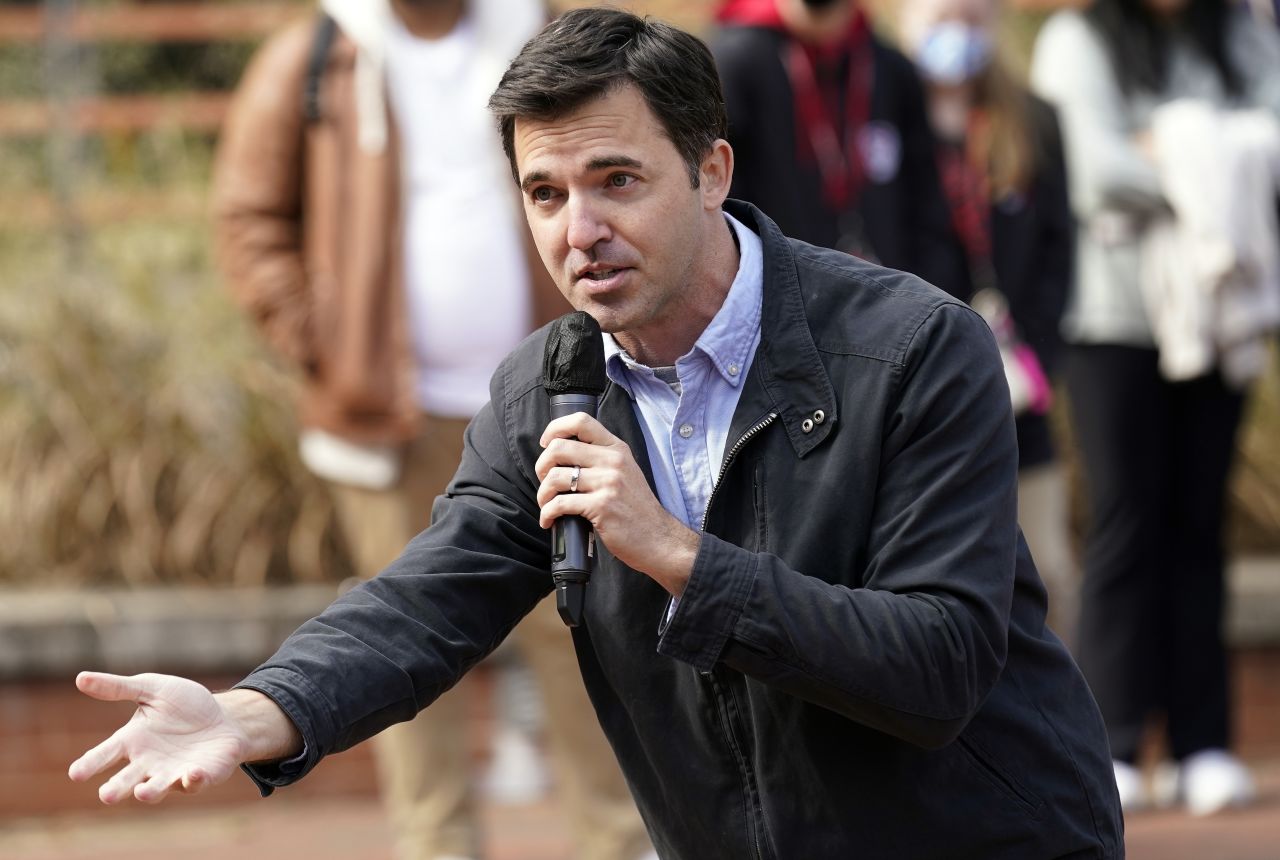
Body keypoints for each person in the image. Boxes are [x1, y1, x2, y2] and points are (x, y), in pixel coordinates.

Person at [70, 8, 1123, 858]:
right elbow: (428, 596)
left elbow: (935, 664)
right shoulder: (547, 386)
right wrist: (258, 710)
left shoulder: (910, 349)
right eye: (543, 191)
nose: (578, 231)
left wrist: (673, 553)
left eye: (616, 180)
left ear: (711, 171)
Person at [208, 1, 651, 858]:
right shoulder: (317, 55)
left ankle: (623, 843)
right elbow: (247, 216)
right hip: (387, 425)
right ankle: (436, 848)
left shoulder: (539, 35)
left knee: (587, 637)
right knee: (399, 648)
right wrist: (327, 343)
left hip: (555, 405)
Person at [1031, 0, 1280, 816]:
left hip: (1220, 319)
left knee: (1197, 525)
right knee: (1125, 523)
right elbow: (1093, 173)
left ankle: (1204, 744)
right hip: (1113, 326)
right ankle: (1114, 741)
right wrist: (1215, 150)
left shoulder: (1243, 33)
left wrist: (1167, 149)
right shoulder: (1076, 40)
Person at [897, 0, 1078, 644]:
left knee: (1048, 568)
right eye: (945, 19)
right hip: (923, 392)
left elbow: (1060, 247)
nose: (958, 35)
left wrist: (1038, 357)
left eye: (972, 20)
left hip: (1020, 387)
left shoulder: (1032, 121)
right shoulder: (889, 118)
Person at [712, 0, 969, 295]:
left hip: (890, 304)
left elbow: (928, 205)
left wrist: (925, 298)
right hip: (778, 304)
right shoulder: (734, 64)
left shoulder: (890, 70)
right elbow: (721, 206)